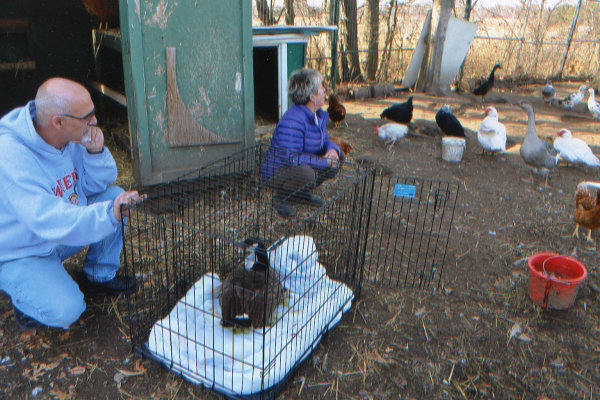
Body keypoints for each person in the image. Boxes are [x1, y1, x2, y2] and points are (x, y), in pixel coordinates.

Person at [0, 77, 145, 330]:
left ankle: (97, 276)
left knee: (113, 195)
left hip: (56, 236)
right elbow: (48, 219)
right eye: (87, 116)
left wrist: (95, 152)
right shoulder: (11, 156)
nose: (94, 121)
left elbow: (94, 186)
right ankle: (26, 300)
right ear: (58, 121)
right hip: (23, 249)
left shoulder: (68, 137)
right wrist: (107, 215)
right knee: (68, 310)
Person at [261, 68, 342, 217]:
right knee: (307, 174)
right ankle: (282, 198)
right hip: (278, 171)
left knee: (339, 156)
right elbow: (291, 157)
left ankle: (301, 192)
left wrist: (332, 150)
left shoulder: (316, 115)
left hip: (299, 164)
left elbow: (325, 141)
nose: (324, 89)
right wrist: (324, 162)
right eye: (321, 87)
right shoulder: (293, 120)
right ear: (312, 96)